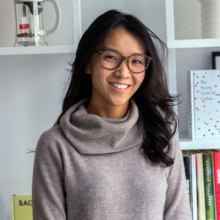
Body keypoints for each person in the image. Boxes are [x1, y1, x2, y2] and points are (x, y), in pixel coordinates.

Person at [32, 9, 192, 220]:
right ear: (87, 63)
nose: (123, 72)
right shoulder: (55, 146)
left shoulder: (163, 141)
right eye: (111, 57)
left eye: (136, 61)